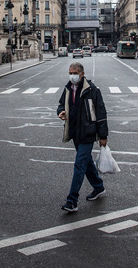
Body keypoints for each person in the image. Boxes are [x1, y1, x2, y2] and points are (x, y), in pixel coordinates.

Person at [57, 62, 108, 212]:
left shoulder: (92, 90)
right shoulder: (68, 88)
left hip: (88, 132)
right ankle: (98, 187)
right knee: (87, 162)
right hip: (74, 131)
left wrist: (103, 136)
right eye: (70, 72)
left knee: (79, 164)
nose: (72, 75)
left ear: (82, 74)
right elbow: (61, 105)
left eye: (75, 73)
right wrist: (61, 112)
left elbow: (101, 113)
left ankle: (72, 200)